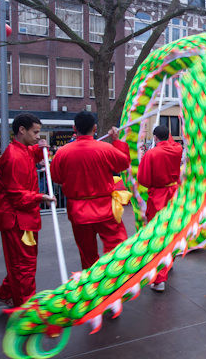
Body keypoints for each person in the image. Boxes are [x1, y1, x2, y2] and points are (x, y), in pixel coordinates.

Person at [51, 111, 131, 270]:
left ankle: (93, 287)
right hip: (105, 208)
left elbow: (57, 178)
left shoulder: (62, 152)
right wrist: (117, 141)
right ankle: (114, 280)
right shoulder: (105, 148)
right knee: (117, 245)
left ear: (75, 128)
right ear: (95, 128)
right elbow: (123, 164)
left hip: (78, 211)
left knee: (87, 254)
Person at [0, 113, 55, 307]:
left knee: (22, 263)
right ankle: (26, 310)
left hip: (23, 217)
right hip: (16, 219)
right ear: (22, 130)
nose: (38, 136)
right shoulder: (13, 156)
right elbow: (16, 195)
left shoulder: (22, 151)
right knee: (23, 266)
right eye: (35, 132)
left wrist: (41, 149)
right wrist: (40, 197)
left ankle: (4, 294)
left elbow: (32, 154)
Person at [137, 125, 182, 292]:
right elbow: (172, 143)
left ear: (155, 137)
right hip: (174, 196)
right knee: (171, 233)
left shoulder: (151, 154)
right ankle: (168, 263)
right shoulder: (177, 149)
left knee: (157, 237)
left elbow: (144, 180)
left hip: (158, 198)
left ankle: (159, 279)